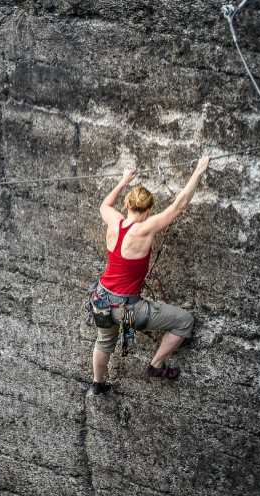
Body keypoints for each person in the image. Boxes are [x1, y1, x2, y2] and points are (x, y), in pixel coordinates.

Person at [90, 156, 210, 396]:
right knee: (184, 321)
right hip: (127, 309)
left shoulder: (114, 220)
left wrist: (124, 180)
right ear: (148, 210)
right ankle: (155, 365)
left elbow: (104, 204)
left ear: (127, 205)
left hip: (100, 299)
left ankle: (98, 384)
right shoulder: (145, 229)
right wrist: (198, 171)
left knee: (104, 342)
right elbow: (178, 205)